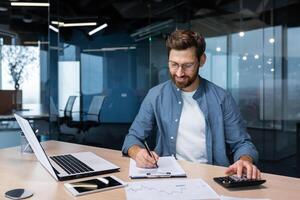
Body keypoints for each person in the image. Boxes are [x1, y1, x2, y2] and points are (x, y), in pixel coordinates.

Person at [122, 29, 261, 179]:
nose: (179, 73)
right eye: (174, 64)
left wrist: (244, 160)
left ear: (201, 61)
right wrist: (137, 153)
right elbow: (132, 138)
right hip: (167, 177)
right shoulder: (155, 95)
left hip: (212, 177)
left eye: (187, 65)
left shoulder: (222, 98)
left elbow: (242, 143)